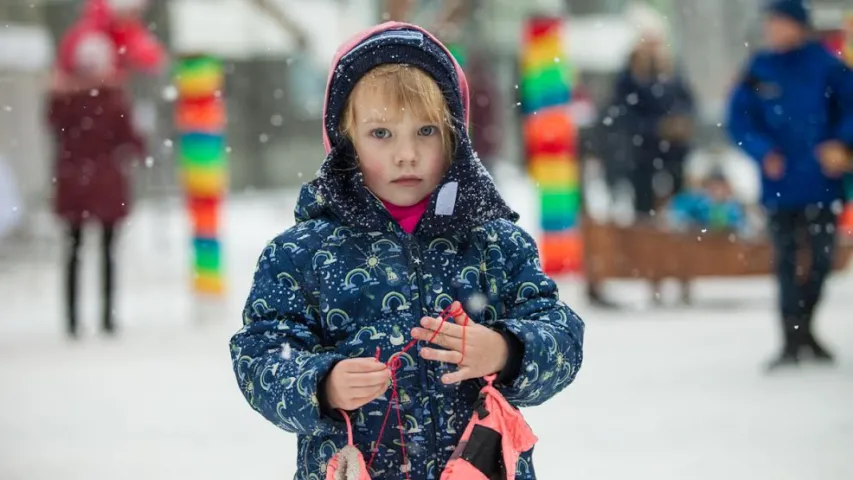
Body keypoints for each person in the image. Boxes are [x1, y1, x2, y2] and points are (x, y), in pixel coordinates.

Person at [229, 22, 585, 479]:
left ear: (454, 134)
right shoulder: (303, 253)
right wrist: (321, 383)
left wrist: (505, 350)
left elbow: (562, 335)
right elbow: (260, 355)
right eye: (381, 133)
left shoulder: (494, 244)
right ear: (345, 137)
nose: (406, 155)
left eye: (425, 131)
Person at [727, 0, 853, 370]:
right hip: (779, 187)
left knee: (820, 261)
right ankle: (789, 338)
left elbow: (850, 109)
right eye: (769, 23)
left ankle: (807, 329)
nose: (773, 30)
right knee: (784, 263)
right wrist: (763, 151)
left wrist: (841, 144)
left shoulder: (828, 66)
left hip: (822, 184)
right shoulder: (758, 69)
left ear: (799, 25)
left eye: (779, 22)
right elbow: (739, 120)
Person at [47, 6, 148, 339]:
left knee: (73, 252)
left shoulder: (64, 99)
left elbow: (51, 124)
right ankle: (107, 318)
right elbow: (132, 141)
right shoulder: (114, 98)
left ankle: (72, 321)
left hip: (73, 183)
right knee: (107, 253)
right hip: (107, 186)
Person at [611, 28, 696, 219]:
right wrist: (657, 128)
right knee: (644, 206)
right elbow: (624, 116)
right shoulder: (630, 78)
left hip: (674, 152)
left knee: (678, 207)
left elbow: (688, 102)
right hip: (641, 154)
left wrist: (679, 123)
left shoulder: (672, 72)